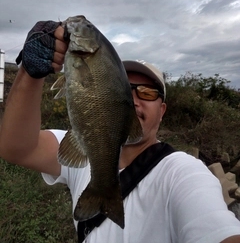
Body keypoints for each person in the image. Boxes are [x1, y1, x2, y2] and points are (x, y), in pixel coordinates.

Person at [0, 19, 240, 243]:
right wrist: (29, 73)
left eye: (147, 92)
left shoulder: (181, 173)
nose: (134, 100)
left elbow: (217, 228)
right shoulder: (86, 146)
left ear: (163, 109)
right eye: (125, 89)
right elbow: (16, 148)